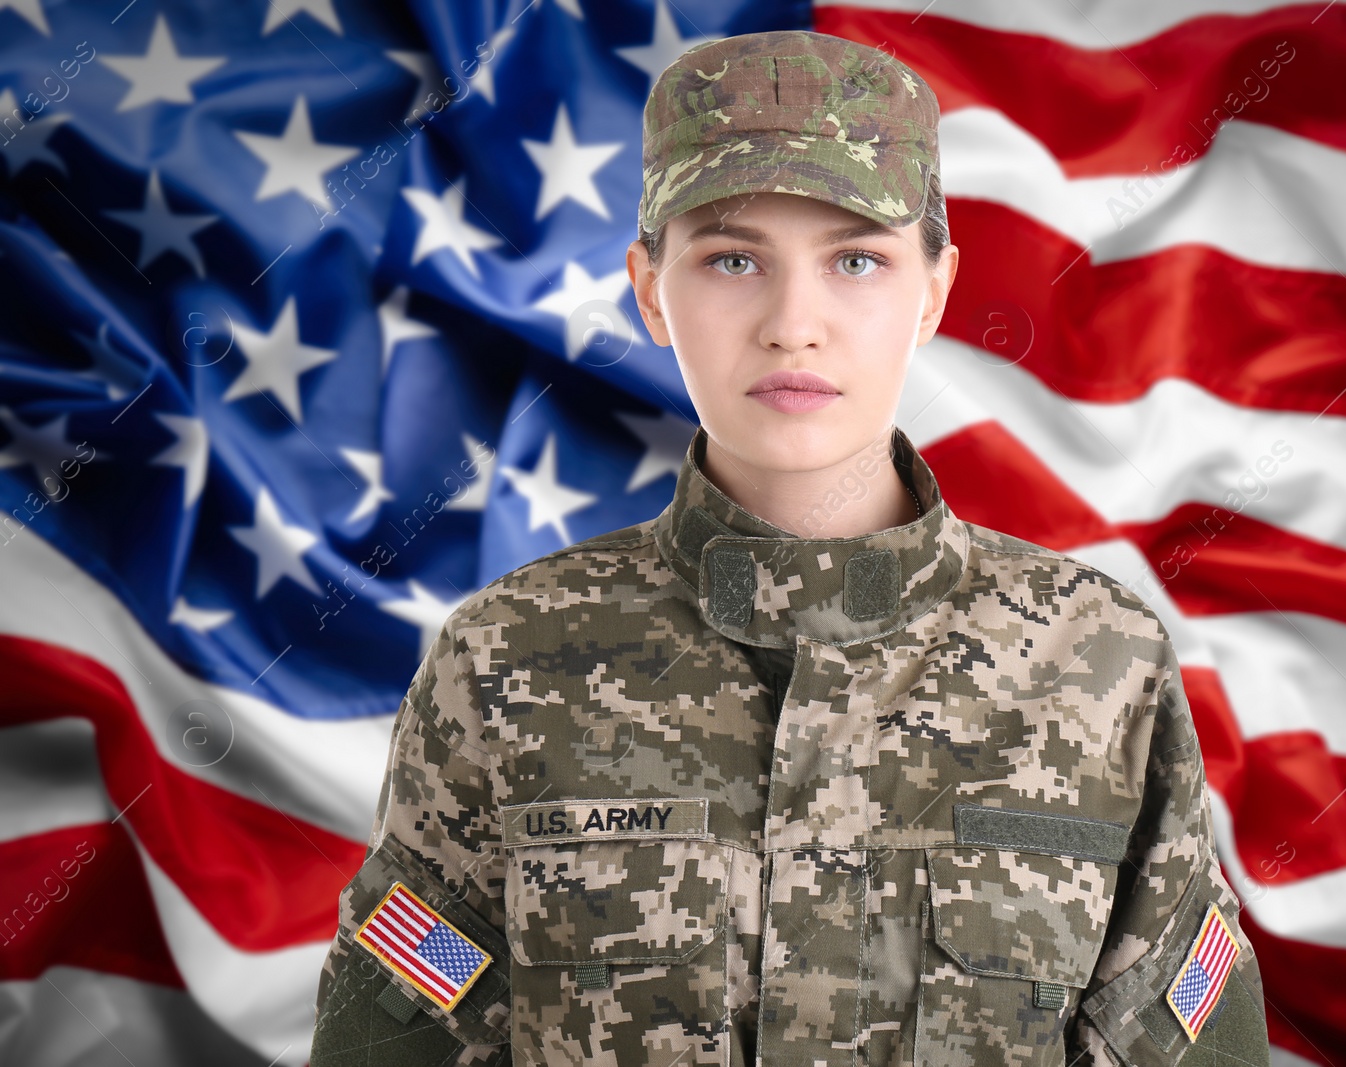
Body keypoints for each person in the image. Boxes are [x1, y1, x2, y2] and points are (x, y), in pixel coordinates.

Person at [306, 28, 1270, 1067]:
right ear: (649, 288)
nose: (791, 322)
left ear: (935, 291)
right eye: (730, 259)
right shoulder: (506, 657)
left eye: (856, 258)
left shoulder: (1097, 659)